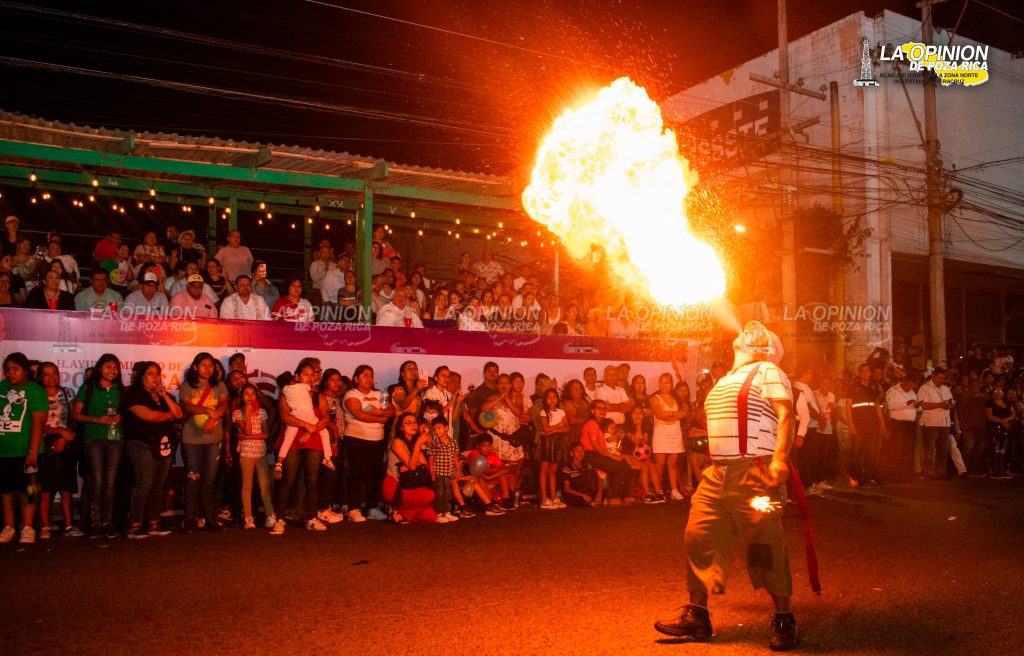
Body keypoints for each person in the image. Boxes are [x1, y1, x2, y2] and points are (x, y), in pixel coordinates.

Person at [655, 321, 798, 651]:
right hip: (716, 475)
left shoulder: (768, 371)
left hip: (754, 472)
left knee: (765, 545)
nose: (748, 330)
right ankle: (698, 615)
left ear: (768, 349)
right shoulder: (723, 380)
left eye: (758, 333)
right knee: (698, 536)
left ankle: (783, 618)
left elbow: (786, 415)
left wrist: (780, 458)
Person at [122, 362, 182, 538]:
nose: (155, 377)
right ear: (141, 376)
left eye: (158, 374)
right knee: (144, 483)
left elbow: (178, 415)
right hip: (141, 444)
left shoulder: (164, 395)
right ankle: (135, 525)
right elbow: (148, 416)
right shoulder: (134, 394)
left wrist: (165, 397)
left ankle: (153, 524)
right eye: (150, 374)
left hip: (163, 444)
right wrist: (168, 416)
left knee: (157, 485)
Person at [70, 353, 125, 539]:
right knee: (98, 481)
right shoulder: (89, 387)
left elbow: (124, 412)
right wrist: (96, 419)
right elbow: (76, 415)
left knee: (111, 482)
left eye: (115, 367)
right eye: (108, 367)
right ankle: (94, 523)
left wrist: (120, 417)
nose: (112, 371)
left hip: (115, 438)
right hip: (93, 438)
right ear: (100, 367)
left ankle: (107, 522)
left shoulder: (120, 389)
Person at [178, 352, 230, 533]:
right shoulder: (187, 385)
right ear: (195, 367)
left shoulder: (220, 385)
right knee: (193, 479)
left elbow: (224, 404)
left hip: (213, 439)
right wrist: (209, 410)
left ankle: (209, 518)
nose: (208, 369)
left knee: (209, 481)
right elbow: (187, 406)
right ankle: (189, 519)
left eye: (211, 365)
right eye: (204, 365)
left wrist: (215, 417)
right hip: (191, 439)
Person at [0, 353, 48, 544]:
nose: (10, 373)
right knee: (5, 490)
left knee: (27, 491)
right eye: (7, 369)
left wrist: (32, 451)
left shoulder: (35, 391)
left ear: (25, 370)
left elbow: (38, 423)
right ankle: (9, 527)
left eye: (15, 368)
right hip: (3, 451)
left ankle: (27, 527)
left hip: (27, 451)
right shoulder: (1, 388)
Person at [36, 362, 81, 539]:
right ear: (40, 376)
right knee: (45, 488)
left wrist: (64, 437)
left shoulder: (67, 393)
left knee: (66, 487)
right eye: (46, 374)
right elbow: (35, 423)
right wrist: (55, 432)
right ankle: (45, 526)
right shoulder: (36, 394)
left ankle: (69, 525)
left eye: (54, 373)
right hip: (43, 443)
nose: (51, 377)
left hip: (66, 443)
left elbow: (73, 419)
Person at [342, 365, 392, 523]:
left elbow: (391, 411)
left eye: (371, 375)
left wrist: (370, 409)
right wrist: (379, 415)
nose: (369, 378)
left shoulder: (379, 393)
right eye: (365, 375)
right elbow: (358, 414)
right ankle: (354, 509)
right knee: (357, 474)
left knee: (374, 475)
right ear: (356, 378)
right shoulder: (352, 393)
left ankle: (371, 508)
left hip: (377, 438)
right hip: (357, 438)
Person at [275, 364, 333, 476]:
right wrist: (306, 425)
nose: (310, 378)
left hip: (313, 438)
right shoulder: (292, 392)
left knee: (311, 480)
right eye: (306, 374)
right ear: (296, 376)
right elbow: (285, 417)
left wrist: (310, 431)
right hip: (296, 439)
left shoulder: (318, 396)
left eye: (312, 374)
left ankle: (279, 463)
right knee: (288, 479)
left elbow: (326, 418)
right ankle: (328, 458)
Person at [382, 412, 437, 524]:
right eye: (408, 423)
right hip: (395, 485)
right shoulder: (397, 442)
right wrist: (418, 444)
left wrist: (418, 446)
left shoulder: (413, 443)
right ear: (401, 427)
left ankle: (399, 512)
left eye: (415, 422)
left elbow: (424, 466)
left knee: (431, 516)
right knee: (430, 495)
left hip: (411, 485)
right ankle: (395, 507)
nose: (413, 425)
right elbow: (412, 466)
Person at [579, 401, 634, 504]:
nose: (602, 410)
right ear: (592, 411)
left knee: (626, 465)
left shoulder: (598, 424)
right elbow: (597, 447)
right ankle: (614, 497)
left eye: (604, 408)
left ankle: (622, 496)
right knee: (623, 466)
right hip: (591, 455)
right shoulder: (592, 423)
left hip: (598, 455)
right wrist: (613, 456)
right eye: (599, 408)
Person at [847, 363, 886, 486]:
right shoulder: (853, 387)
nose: (865, 373)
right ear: (859, 373)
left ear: (870, 373)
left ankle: (869, 476)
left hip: (872, 425)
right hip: (858, 425)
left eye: (867, 371)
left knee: (871, 452)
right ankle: (856, 477)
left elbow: (877, 406)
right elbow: (848, 407)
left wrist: (882, 422)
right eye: (862, 371)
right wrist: (851, 424)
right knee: (856, 452)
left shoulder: (874, 387)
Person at [651, 373, 687, 501]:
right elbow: (659, 414)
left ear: (671, 384)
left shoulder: (676, 397)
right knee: (659, 463)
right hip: (661, 432)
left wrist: (670, 414)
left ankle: (674, 490)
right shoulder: (655, 398)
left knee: (673, 463)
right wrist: (675, 414)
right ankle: (658, 490)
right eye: (662, 382)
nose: (664, 385)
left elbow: (684, 413)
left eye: (667, 382)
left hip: (675, 432)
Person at [918, 367, 953, 478]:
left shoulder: (945, 388)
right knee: (929, 449)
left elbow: (951, 402)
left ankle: (940, 472)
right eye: (939, 378)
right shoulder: (924, 388)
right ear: (933, 376)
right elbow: (923, 405)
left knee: (943, 449)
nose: (941, 380)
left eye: (943, 378)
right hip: (930, 423)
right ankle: (928, 472)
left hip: (944, 422)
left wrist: (949, 405)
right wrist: (940, 405)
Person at [537, 388, 569, 509]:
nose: (552, 400)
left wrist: (554, 429)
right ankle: (544, 499)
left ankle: (553, 498)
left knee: (553, 471)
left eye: (554, 397)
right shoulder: (544, 412)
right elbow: (546, 429)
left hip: (558, 442)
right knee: (544, 470)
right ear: (545, 399)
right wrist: (559, 425)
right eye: (549, 397)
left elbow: (567, 428)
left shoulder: (561, 411)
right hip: (548, 442)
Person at [626, 405, 663, 503]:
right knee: (645, 467)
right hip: (630, 453)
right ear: (631, 415)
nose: (637, 416)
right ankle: (647, 494)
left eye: (640, 413)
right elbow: (636, 443)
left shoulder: (645, 424)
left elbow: (644, 442)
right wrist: (638, 426)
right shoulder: (627, 425)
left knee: (652, 466)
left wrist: (640, 427)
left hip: (642, 454)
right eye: (635, 413)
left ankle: (659, 492)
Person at [986, 387, 1016, 479]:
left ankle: (1002, 470)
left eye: (999, 391)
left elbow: (1013, 414)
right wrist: (1001, 421)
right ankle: (994, 470)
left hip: (1005, 429)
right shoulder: (990, 403)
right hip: (994, 429)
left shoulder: (1007, 402)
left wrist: (1005, 420)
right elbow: (989, 416)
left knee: (1003, 450)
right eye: (995, 391)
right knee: (995, 449)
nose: (998, 393)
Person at [560, 442, 603, 507]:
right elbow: (567, 489)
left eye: (582, 451)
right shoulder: (567, 468)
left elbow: (599, 479)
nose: (580, 453)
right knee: (582, 501)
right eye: (577, 451)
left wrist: (599, 496)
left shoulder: (587, 465)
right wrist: (582, 495)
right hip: (575, 493)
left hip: (586, 492)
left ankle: (594, 500)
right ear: (571, 453)